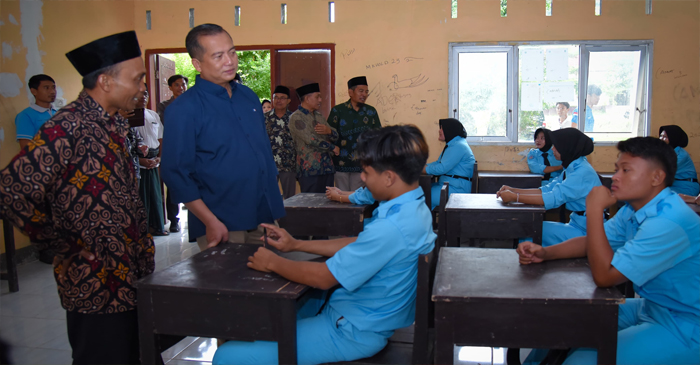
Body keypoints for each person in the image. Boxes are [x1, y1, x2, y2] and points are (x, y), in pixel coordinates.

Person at [212, 125, 436, 365]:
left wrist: (273, 262)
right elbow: (360, 243)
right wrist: (296, 244)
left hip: (350, 331)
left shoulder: (392, 228)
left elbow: (323, 278)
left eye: (366, 172)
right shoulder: (414, 209)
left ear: (389, 177)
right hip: (361, 317)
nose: (362, 178)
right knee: (266, 317)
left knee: (226, 356)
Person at [0, 31, 154, 365]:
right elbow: (11, 189)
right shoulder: (67, 126)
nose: (144, 87)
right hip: (95, 282)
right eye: (138, 79)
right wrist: (59, 244)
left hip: (132, 274)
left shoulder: (114, 123)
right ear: (106, 81)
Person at [517, 137, 699, 365]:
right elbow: (590, 242)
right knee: (560, 324)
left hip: (685, 324)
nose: (615, 177)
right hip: (651, 307)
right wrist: (545, 253)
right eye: (616, 169)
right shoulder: (635, 208)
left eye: (626, 170)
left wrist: (594, 209)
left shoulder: (668, 221)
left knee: (581, 361)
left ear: (657, 177)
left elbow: (605, 277)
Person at [161, 23, 285, 250]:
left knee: (271, 282)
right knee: (229, 283)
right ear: (197, 64)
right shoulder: (184, 109)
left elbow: (261, 151)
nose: (230, 61)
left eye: (232, 52)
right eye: (218, 56)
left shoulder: (247, 97)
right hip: (221, 222)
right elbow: (175, 172)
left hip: (263, 215)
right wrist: (209, 221)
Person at [497, 128, 601, 247]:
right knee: (530, 228)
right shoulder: (573, 166)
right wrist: (513, 190)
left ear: (567, 148)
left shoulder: (581, 172)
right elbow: (547, 189)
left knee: (530, 230)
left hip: (588, 231)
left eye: (556, 146)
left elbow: (552, 198)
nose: (552, 149)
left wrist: (515, 197)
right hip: (578, 223)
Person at [327, 76, 382, 191]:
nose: (364, 94)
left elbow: (378, 136)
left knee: (357, 200)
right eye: (361, 91)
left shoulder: (371, 112)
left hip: (361, 165)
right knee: (341, 197)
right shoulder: (338, 111)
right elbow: (329, 134)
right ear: (350, 92)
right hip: (340, 163)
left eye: (366, 92)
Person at [289, 82, 339, 193]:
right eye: (317, 97)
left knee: (327, 204)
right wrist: (332, 147)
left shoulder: (319, 116)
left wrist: (329, 131)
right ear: (307, 98)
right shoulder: (296, 118)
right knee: (311, 205)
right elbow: (311, 140)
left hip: (327, 169)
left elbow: (335, 135)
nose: (320, 100)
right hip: (310, 170)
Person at [133, 88, 168, 236]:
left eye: (145, 94)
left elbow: (161, 138)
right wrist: (140, 160)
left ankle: (157, 226)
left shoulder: (153, 115)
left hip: (154, 160)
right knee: (141, 197)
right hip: (136, 163)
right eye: (139, 93)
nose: (143, 97)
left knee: (155, 195)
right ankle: (143, 229)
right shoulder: (126, 116)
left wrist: (160, 157)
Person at [157, 74, 188, 233]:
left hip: (190, 149)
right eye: (177, 85)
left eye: (183, 85)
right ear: (170, 87)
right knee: (173, 184)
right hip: (173, 149)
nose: (181, 88)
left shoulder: (193, 103)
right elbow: (164, 127)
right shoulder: (164, 106)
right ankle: (174, 220)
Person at [423, 118, 475, 209]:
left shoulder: (458, 146)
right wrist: (422, 166)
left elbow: (442, 168)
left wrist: (423, 169)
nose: (439, 131)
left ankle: (423, 222)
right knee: (421, 189)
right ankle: (426, 221)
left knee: (421, 196)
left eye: (442, 128)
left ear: (450, 130)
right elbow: (438, 163)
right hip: (450, 185)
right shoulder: (454, 144)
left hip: (457, 189)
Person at [265, 86, 296, 199]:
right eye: (276, 97)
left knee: (290, 198)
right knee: (269, 196)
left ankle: (289, 217)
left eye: (282, 98)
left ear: (289, 100)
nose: (279, 100)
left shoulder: (294, 118)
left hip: (288, 163)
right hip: (269, 164)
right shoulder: (264, 118)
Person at [15, 74, 57, 149]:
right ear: (34, 91)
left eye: (53, 87)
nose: (52, 92)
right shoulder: (25, 116)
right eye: (46, 88)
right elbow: (26, 148)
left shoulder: (59, 113)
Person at [659, 125, 699, 196]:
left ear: (673, 138)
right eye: (661, 136)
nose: (661, 139)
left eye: (665, 137)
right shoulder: (665, 152)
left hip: (686, 187)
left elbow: (663, 169)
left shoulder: (681, 154)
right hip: (672, 185)